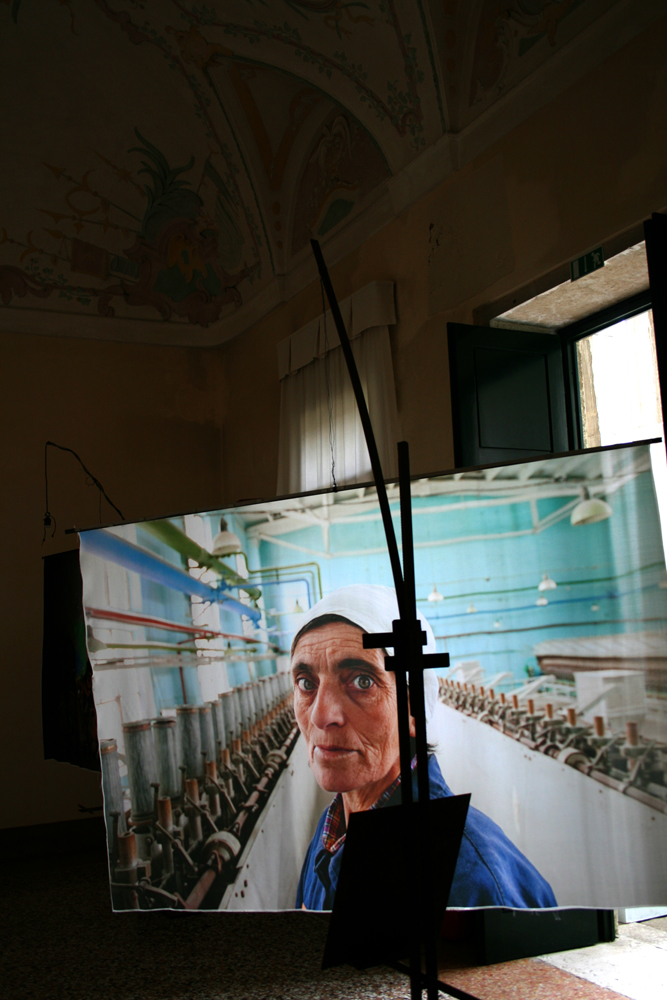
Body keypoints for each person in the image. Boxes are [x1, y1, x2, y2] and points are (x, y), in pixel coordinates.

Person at [292, 584, 557, 910]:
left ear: (413, 709)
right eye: (306, 683)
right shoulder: (331, 832)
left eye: (362, 681)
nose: (321, 716)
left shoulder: (469, 880)